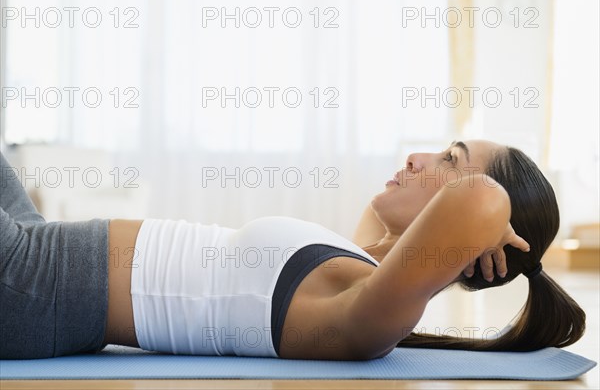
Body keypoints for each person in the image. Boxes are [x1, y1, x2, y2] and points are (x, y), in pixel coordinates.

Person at [0, 140, 586, 360]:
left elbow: (481, 199)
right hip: (38, 256)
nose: (417, 156)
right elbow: (403, 220)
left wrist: (485, 219)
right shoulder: (359, 262)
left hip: (30, 288)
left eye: (450, 162)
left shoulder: (367, 314)